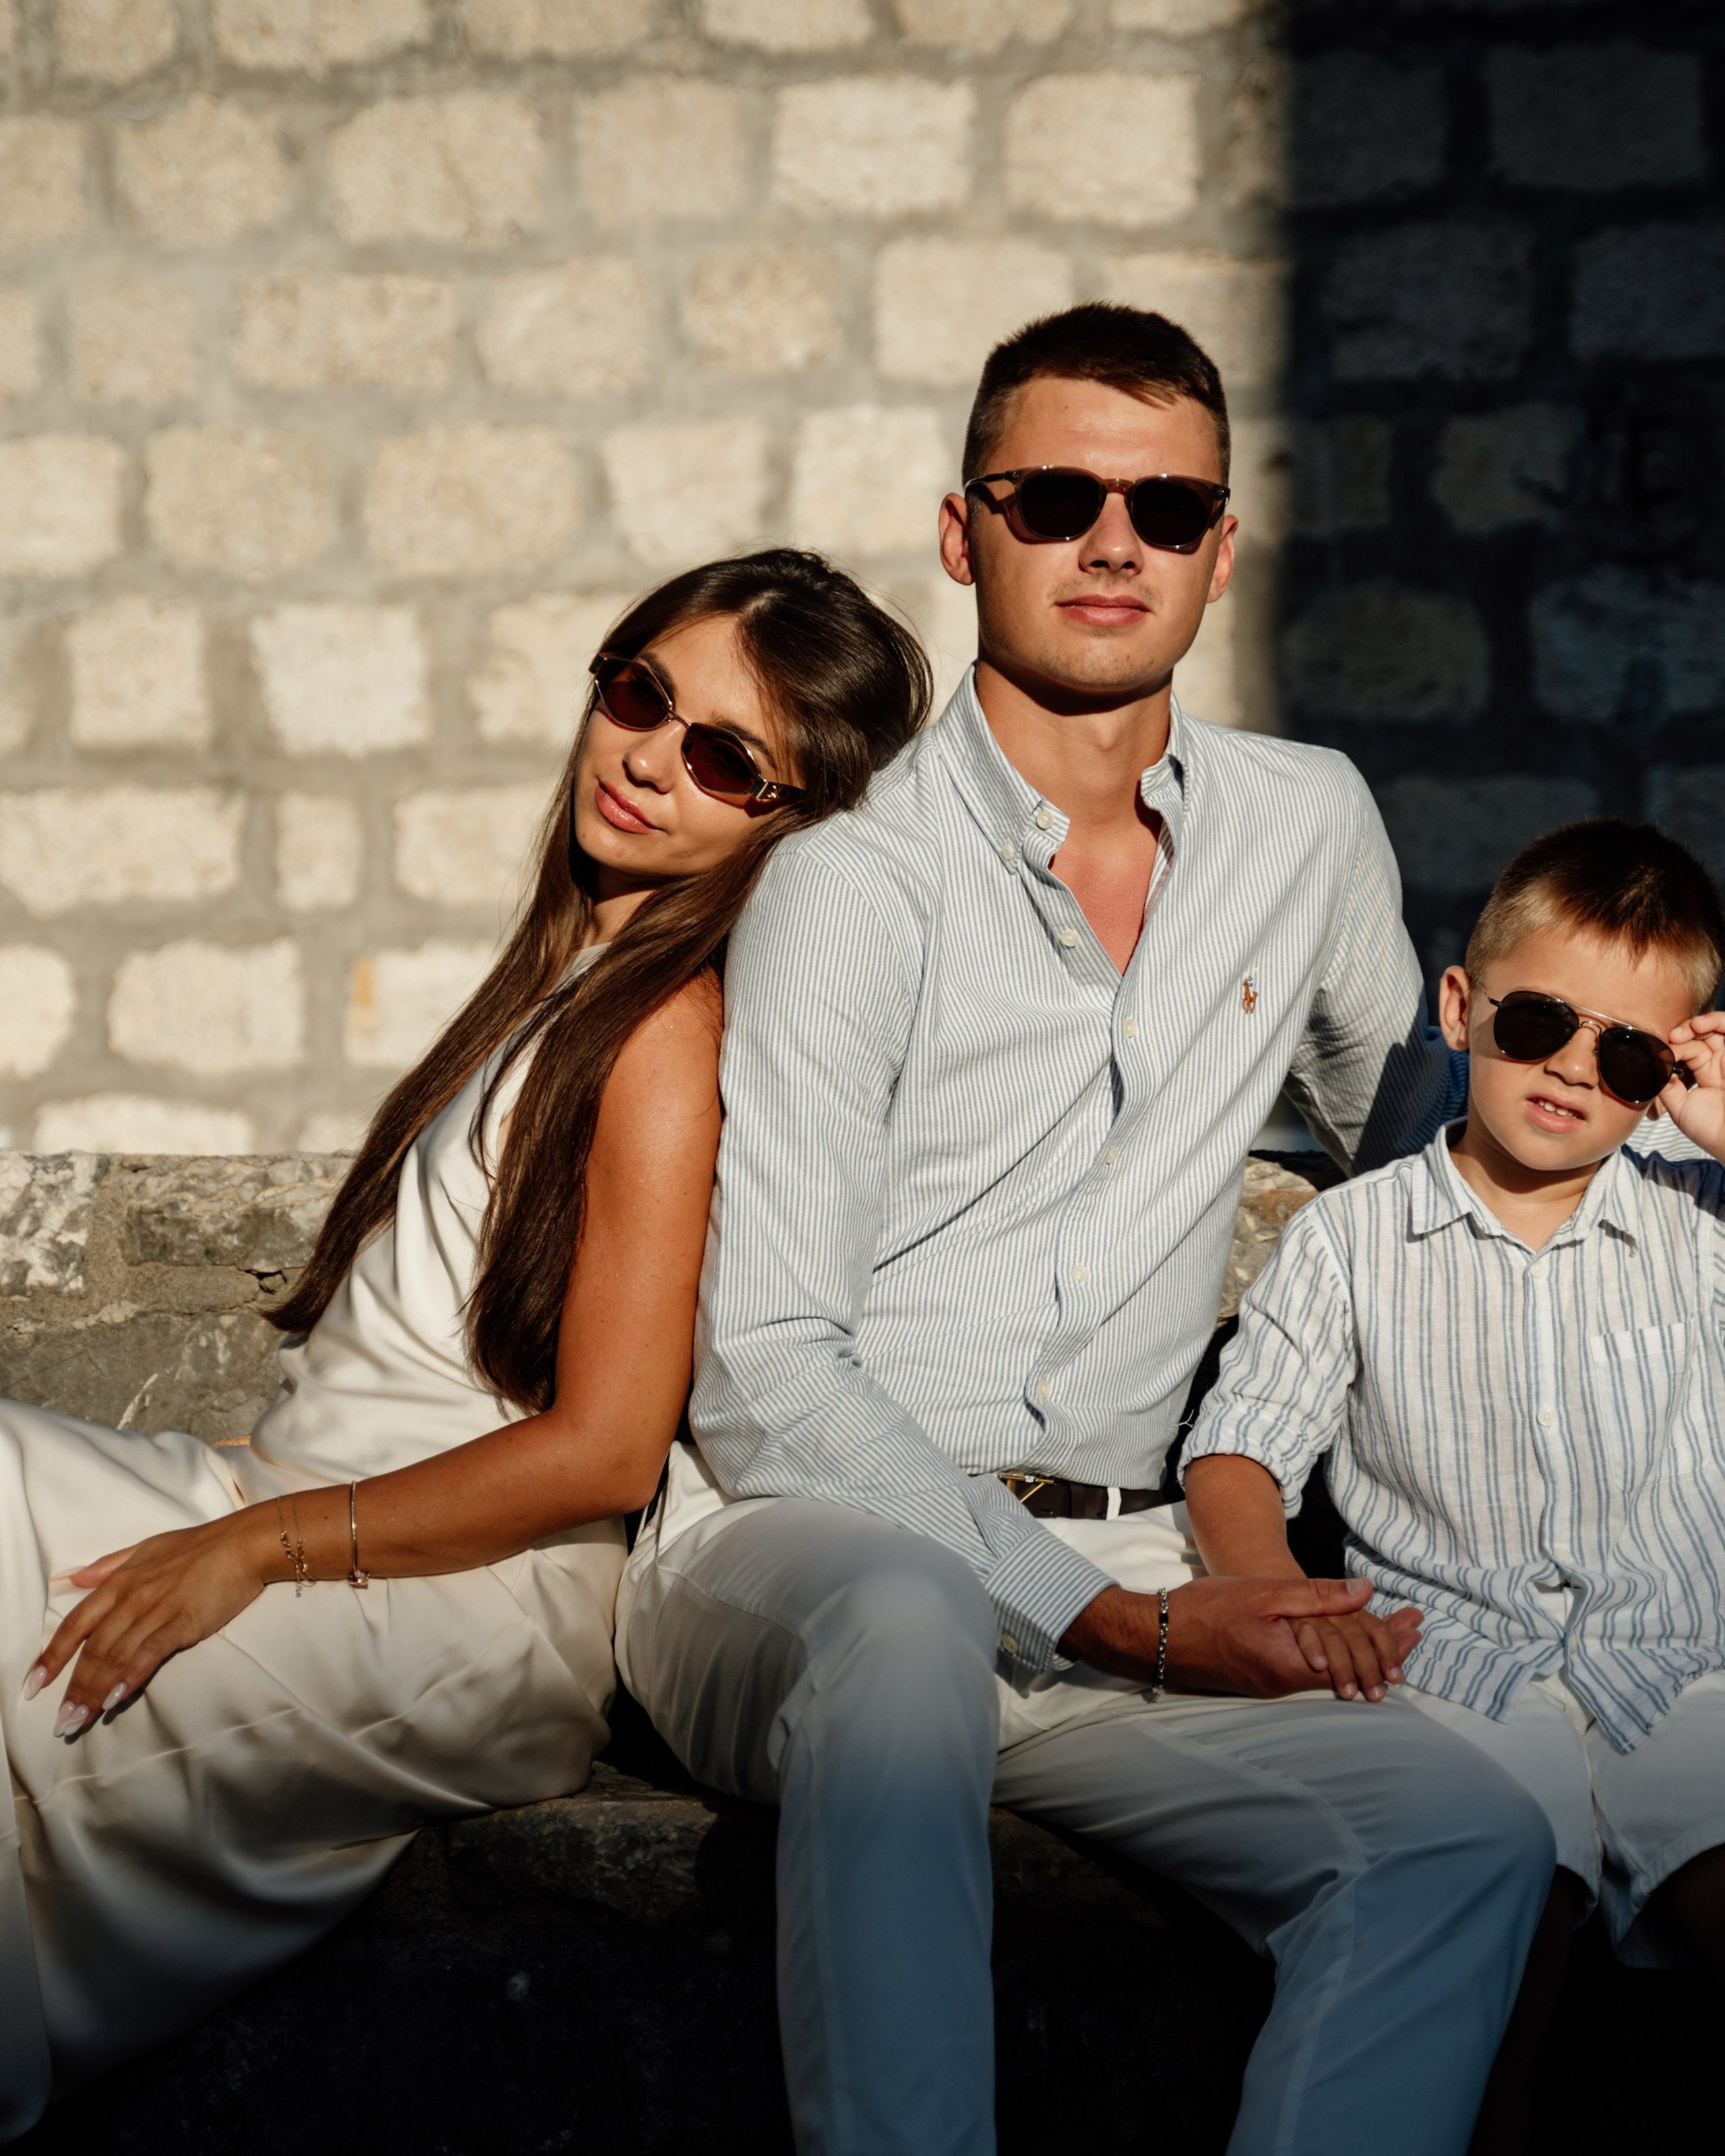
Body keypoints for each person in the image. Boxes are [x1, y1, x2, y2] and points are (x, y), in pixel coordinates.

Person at [617, 301, 1556, 2156]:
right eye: (1052, 499)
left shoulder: (1305, 825)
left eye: (1163, 506)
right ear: (961, 535)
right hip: (805, 1553)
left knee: (1463, 1835)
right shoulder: (848, 874)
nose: (1112, 541)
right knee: (904, 1618)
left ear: (1222, 548)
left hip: (1124, 1567)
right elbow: (767, 1366)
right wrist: (1118, 1617)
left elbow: (1420, 1164)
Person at [0, 548, 929, 2141]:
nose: (650, 757)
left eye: (725, 758)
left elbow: (607, 1447)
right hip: (319, 1518)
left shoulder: (664, 1031)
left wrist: (259, 1542)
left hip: (463, 1604)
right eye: (641, 693)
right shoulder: (569, 978)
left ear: (792, 820)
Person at [1183, 817, 1725, 2155]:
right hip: (1460, 1675)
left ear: (1669, 1072)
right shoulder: (1350, 1239)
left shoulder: (1699, 1214)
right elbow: (1240, 1447)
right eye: (1536, 1021)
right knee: (1489, 1924)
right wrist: (1271, 1593)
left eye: (1627, 1053)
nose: (1572, 1067)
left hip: (1679, 1673)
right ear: (1458, 1007)